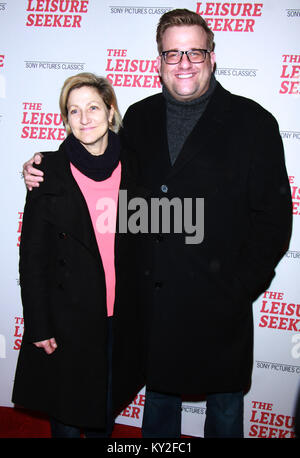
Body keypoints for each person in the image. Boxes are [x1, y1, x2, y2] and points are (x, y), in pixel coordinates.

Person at [23, 9, 292, 438]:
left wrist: (239, 286)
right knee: (160, 410)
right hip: (155, 307)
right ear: (158, 61)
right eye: (172, 54)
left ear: (212, 56)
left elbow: (275, 219)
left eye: (194, 52)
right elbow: (96, 156)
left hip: (220, 306)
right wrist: (44, 166)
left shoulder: (253, 122)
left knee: (224, 411)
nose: (183, 63)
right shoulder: (140, 117)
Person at [13, 73, 144, 438]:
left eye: (93, 107)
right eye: (74, 111)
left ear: (111, 111)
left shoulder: (136, 167)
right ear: (66, 120)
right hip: (68, 321)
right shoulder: (47, 171)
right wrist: (39, 324)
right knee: (68, 423)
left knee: (103, 418)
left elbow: (153, 235)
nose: (85, 118)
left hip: (119, 321)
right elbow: (33, 257)